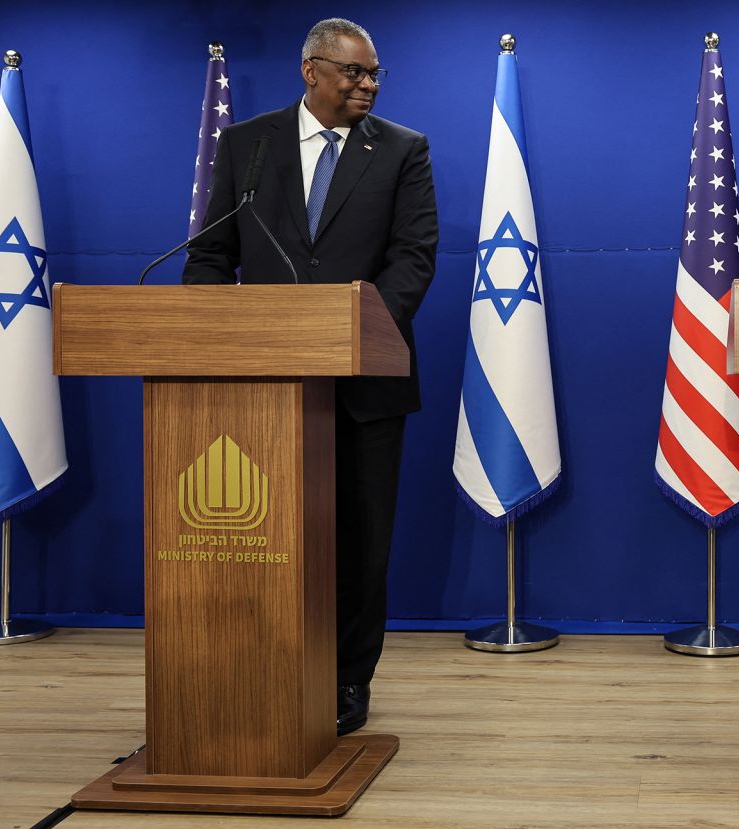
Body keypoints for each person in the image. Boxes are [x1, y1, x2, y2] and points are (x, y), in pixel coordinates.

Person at [182, 17, 438, 736]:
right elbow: (209, 255)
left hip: (367, 384)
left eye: (374, 75)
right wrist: (218, 334)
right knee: (270, 535)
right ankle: (261, 665)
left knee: (360, 540)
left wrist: (354, 336)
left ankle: (347, 678)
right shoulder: (247, 145)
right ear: (312, 72)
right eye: (354, 73)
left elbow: (415, 255)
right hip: (264, 388)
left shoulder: (402, 150)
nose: (368, 85)